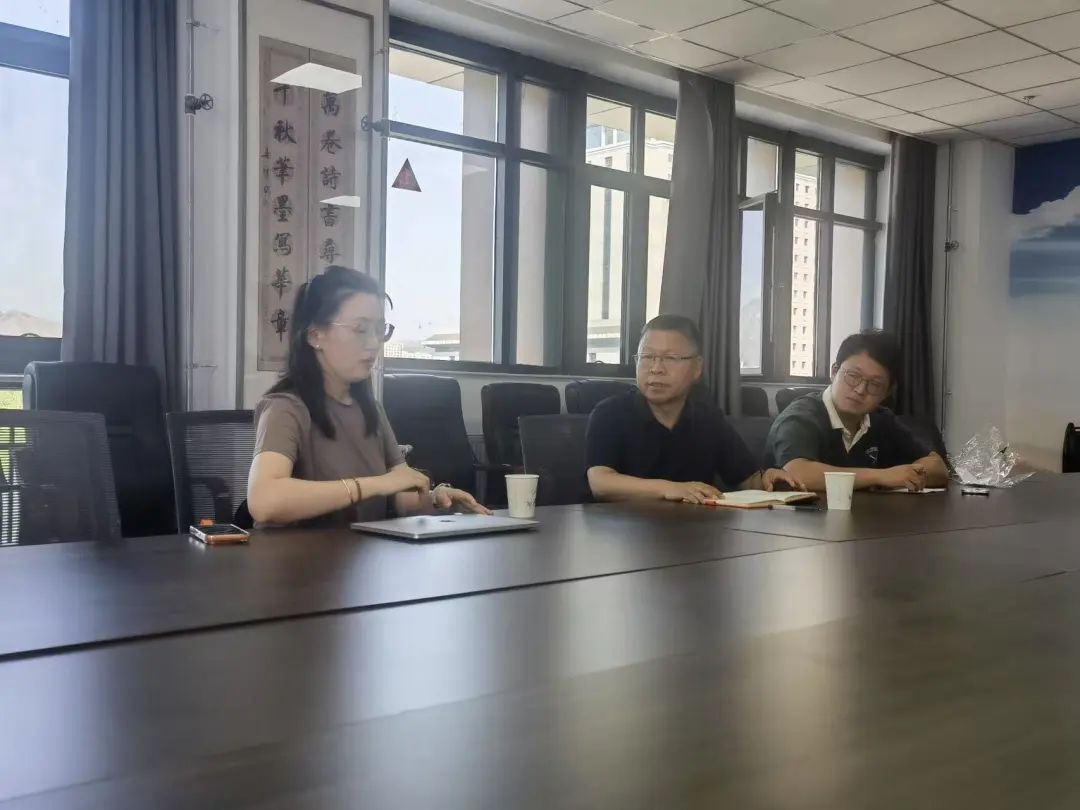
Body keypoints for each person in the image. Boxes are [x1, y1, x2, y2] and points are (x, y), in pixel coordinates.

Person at [247, 265, 490, 526]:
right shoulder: (285, 408)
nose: (374, 343)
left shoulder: (370, 409)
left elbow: (397, 495)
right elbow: (264, 501)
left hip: (365, 550)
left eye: (379, 330)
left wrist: (436, 500)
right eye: (360, 329)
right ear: (315, 335)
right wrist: (374, 484)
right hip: (299, 553)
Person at [586, 314, 803, 504]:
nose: (656, 368)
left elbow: (747, 479)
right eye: (647, 357)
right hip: (619, 531)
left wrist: (767, 478)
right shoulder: (610, 413)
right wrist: (669, 489)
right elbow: (601, 483)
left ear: (697, 367)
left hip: (691, 531)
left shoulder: (708, 420)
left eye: (670, 358)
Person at [764, 329, 949, 492]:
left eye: (874, 384)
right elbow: (798, 473)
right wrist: (883, 476)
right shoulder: (801, 416)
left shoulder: (881, 420)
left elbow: (938, 467)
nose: (860, 390)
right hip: (796, 519)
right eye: (853, 376)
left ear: (886, 393)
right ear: (834, 372)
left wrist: (910, 474)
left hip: (867, 518)